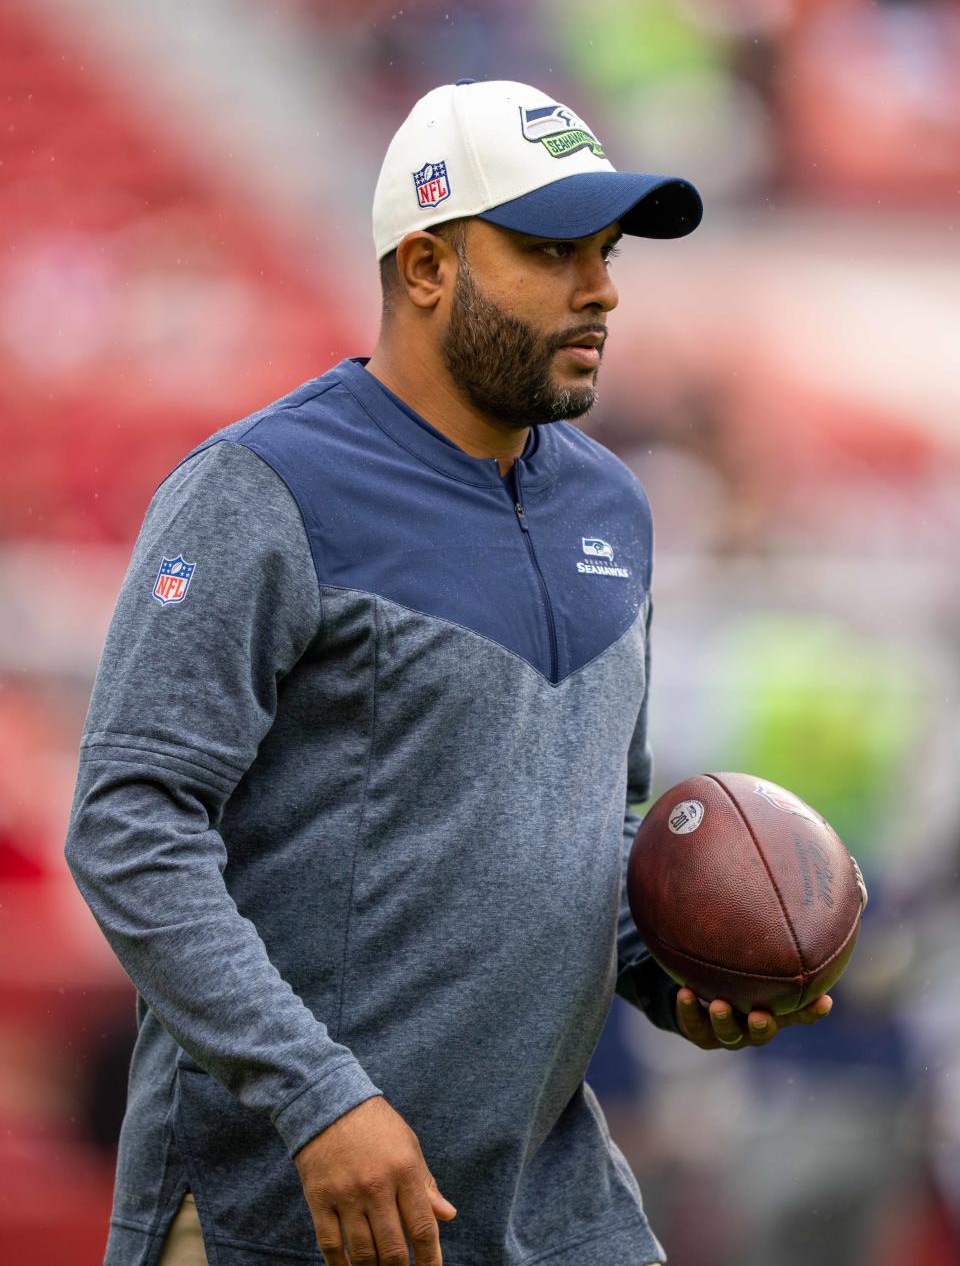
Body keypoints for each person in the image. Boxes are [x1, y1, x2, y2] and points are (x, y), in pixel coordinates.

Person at [65, 78, 834, 1266]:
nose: (602, 289)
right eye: (549, 250)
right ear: (425, 267)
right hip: (291, 1207)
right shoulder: (260, 493)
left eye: (608, 251)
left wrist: (672, 973)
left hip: (550, 1202)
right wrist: (318, 1094)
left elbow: (595, 823)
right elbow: (130, 823)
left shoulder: (612, 506)